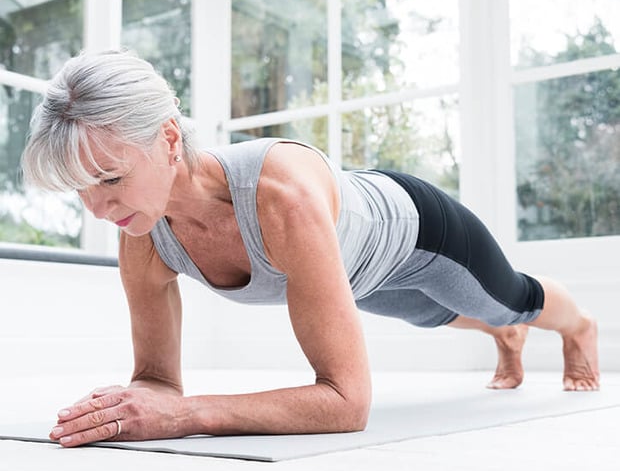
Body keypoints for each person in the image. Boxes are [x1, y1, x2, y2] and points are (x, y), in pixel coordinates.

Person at [21, 50, 600, 448]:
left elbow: (347, 403)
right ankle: (501, 338)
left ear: (169, 139)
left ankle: (578, 329)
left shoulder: (281, 197)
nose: (96, 209)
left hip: (420, 232)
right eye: (81, 190)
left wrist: (189, 414)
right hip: (357, 269)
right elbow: (156, 381)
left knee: (511, 301)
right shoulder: (142, 232)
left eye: (111, 179)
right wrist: (134, 403)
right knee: (439, 315)